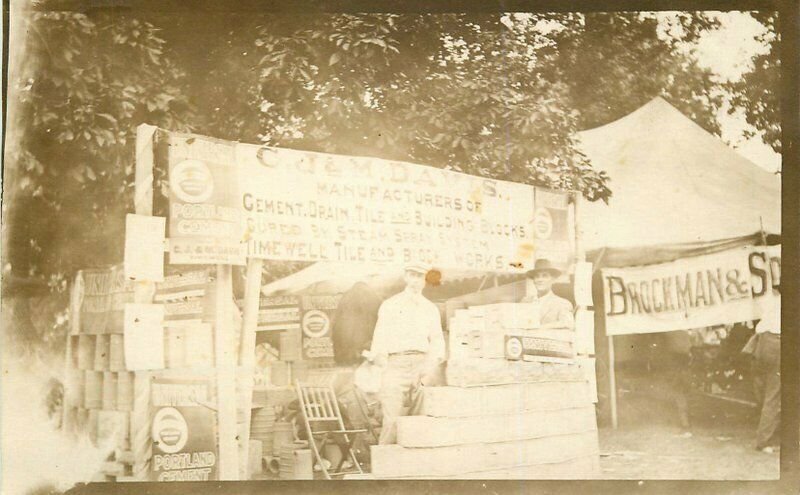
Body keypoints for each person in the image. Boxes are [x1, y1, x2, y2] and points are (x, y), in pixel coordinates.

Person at [369, 261, 446, 444]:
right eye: (412, 275)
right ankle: (387, 465)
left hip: (421, 363)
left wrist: (430, 367)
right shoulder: (390, 305)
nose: (416, 280)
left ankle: (417, 466)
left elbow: (436, 340)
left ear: (425, 280)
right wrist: (381, 368)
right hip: (395, 364)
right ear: (405, 277)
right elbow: (379, 339)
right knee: (391, 419)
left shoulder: (430, 308)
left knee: (422, 419)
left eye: (420, 276)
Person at [745, 291, 781, 453]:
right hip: (776, 343)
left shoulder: (772, 298)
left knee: (767, 391)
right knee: (774, 394)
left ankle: (766, 433)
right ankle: (764, 440)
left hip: (762, 344)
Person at [523, 258, 574, 330]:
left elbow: (568, 324)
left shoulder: (562, 303)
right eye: (537, 276)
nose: (540, 280)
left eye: (545, 276)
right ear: (533, 280)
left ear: (553, 280)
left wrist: (538, 327)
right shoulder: (525, 301)